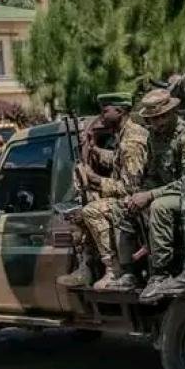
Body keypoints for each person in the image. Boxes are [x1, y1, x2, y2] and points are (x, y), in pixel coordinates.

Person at [117, 89, 185, 302]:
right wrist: (139, 195)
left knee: (159, 207)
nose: (157, 123)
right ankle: (129, 272)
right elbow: (152, 174)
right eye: (152, 119)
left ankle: (160, 273)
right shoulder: (154, 138)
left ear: (173, 112)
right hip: (167, 192)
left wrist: (150, 195)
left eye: (162, 117)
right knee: (125, 206)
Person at [57, 93, 149, 290]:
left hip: (139, 204)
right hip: (132, 199)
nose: (102, 116)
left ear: (120, 111)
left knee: (92, 210)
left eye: (105, 111)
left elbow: (132, 188)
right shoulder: (126, 134)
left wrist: (97, 180)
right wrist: (94, 150)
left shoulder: (131, 141)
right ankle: (87, 267)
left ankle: (114, 271)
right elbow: (118, 160)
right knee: (80, 210)